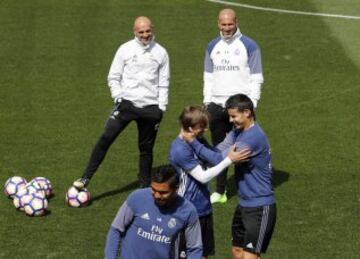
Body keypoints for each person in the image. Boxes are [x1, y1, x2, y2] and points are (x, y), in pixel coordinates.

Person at [73, 16, 170, 189]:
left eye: (148, 31)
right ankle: (86, 177)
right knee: (106, 138)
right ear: (135, 32)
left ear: (152, 29)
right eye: (141, 32)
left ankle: (144, 186)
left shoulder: (161, 52)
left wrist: (161, 108)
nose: (145, 35)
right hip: (126, 106)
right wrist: (118, 96)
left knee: (146, 149)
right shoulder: (125, 49)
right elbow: (113, 76)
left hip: (150, 109)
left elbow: (164, 81)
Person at [187, 94, 276, 259]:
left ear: (247, 112)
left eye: (233, 116)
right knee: (237, 252)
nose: (230, 120)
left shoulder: (252, 139)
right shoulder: (237, 132)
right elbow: (218, 149)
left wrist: (193, 142)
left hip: (260, 206)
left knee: (250, 256)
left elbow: (217, 159)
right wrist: (201, 139)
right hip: (243, 205)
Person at [169, 106, 251, 259]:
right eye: (202, 127)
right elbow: (203, 177)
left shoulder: (197, 140)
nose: (205, 130)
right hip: (187, 209)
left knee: (203, 255)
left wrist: (230, 151)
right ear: (189, 127)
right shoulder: (179, 149)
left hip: (204, 208)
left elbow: (215, 158)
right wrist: (229, 160)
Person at [203, 8, 264, 203]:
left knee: (246, 149)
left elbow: (257, 77)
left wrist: (251, 105)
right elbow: (208, 77)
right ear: (218, 23)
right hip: (217, 106)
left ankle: (249, 188)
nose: (227, 28)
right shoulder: (212, 45)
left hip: (241, 109)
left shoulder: (249, 45)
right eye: (223, 24)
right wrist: (207, 101)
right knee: (219, 150)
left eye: (230, 24)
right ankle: (220, 191)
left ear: (236, 22)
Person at [104, 165, 203, 259]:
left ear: (176, 189)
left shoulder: (188, 211)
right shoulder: (137, 198)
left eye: (163, 192)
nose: (157, 196)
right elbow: (116, 229)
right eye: (154, 190)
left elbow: (195, 248)